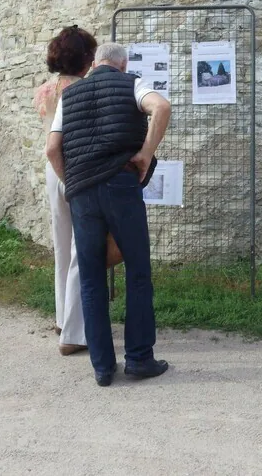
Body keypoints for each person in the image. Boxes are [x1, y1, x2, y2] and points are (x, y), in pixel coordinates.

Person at [46, 42, 171, 387]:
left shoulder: (69, 95)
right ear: (122, 64)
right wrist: (146, 152)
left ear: (95, 64)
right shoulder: (132, 83)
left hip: (83, 192)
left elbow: (52, 148)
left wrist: (71, 182)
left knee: (90, 277)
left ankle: (102, 367)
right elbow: (161, 107)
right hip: (120, 185)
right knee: (138, 272)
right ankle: (139, 359)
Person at [33, 25, 97, 356]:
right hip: (78, 167)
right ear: (84, 57)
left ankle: (62, 317)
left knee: (61, 245)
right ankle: (73, 332)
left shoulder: (44, 90)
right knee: (81, 248)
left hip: (51, 168)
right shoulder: (85, 90)